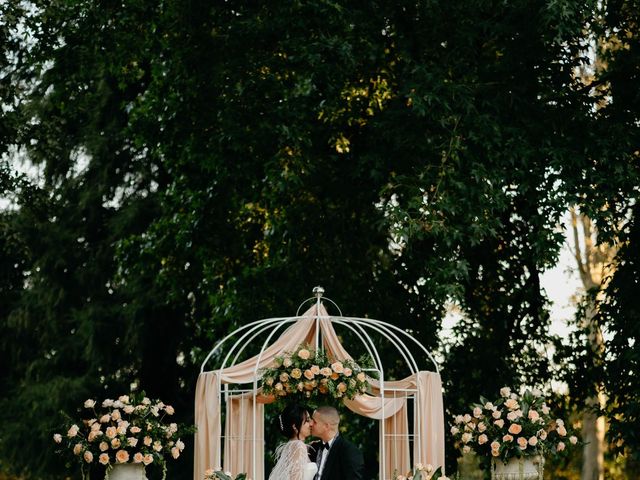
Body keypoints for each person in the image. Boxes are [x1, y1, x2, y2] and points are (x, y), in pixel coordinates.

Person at [309, 406, 364, 480]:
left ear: (326, 426)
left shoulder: (349, 451)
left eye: (314, 421)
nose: (310, 424)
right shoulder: (313, 447)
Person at [269, 403, 318, 480]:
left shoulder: (290, 445)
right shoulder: (299, 446)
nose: (311, 423)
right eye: (307, 420)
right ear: (295, 426)